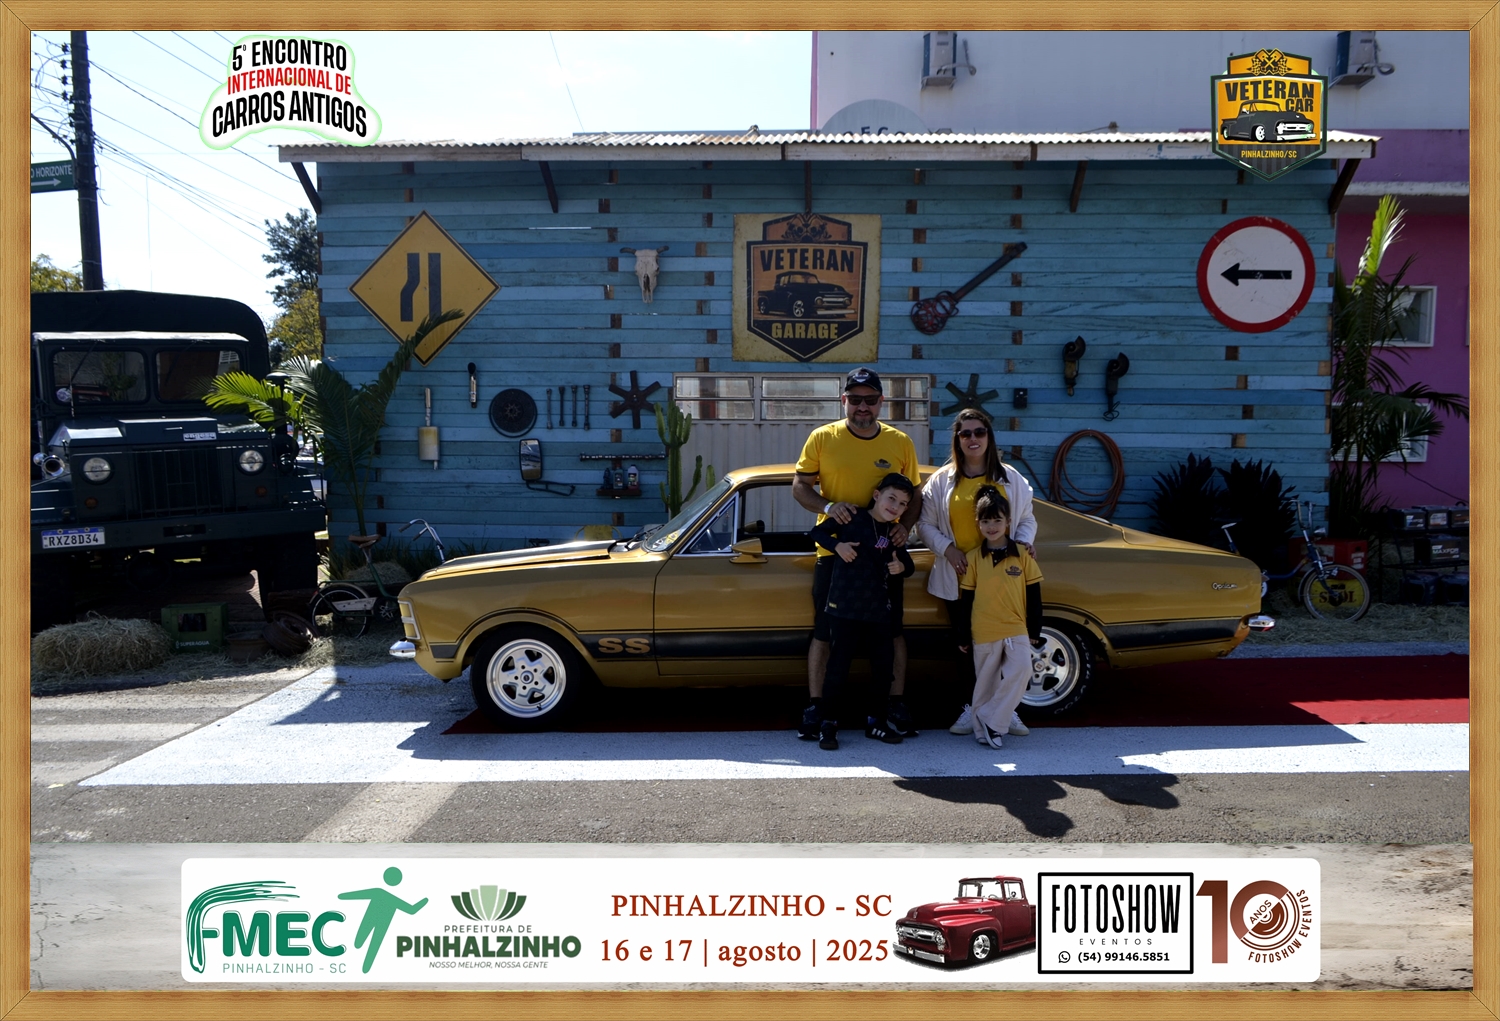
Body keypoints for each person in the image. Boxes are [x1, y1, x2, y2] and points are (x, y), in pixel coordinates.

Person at [792, 367, 922, 740]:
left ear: (881, 402)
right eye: (855, 399)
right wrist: (828, 506)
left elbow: (915, 494)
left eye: (870, 399)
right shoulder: (822, 437)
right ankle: (818, 706)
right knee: (824, 632)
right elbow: (800, 485)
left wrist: (904, 527)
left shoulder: (900, 442)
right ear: (843, 400)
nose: (862, 407)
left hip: (883, 556)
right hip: (835, 554)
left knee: (892, 631)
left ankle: (893, 703)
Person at [916, 408, 1038, 739]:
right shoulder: (941, 481)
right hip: (960, 578)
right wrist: (948, 549)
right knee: (968, 648)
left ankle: (1004, 711)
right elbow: (924, 524)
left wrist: (1022, 543)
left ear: (989, 437)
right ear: (957, 439)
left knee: (1007, 650)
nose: (973, 439)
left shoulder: (1010, 478)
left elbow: (1027, 518)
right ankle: (973, 708)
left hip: (1004, 579)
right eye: (965, 433)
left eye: (979, 432)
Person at [808, 473, 916, 750]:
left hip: (878, 612)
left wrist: (900, 567)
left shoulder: (893, 533)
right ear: (877, 495)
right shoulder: (851, 517)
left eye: (903, 504)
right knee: (837, 668)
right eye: (891, 498)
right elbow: (817, 533)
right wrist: (838, 546)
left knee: (883, 669)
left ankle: (876, 722)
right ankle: (828, 724)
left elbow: (908, 565)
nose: (895, 506)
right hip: (843, 608)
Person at [953, 486, 1044, 749]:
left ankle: (991, 717)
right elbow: (967, 600)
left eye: (997, 520)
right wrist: (963, 634)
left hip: (1015, 627)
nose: (991, 526)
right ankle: (984, 730)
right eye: (985, 521)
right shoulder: (973, 558)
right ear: (978, 523)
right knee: (986, 683)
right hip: (983, 629)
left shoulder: (1024, 555)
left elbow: (1034, 594)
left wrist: (1034, 629)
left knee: (1022, 670)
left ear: (1008, 522)